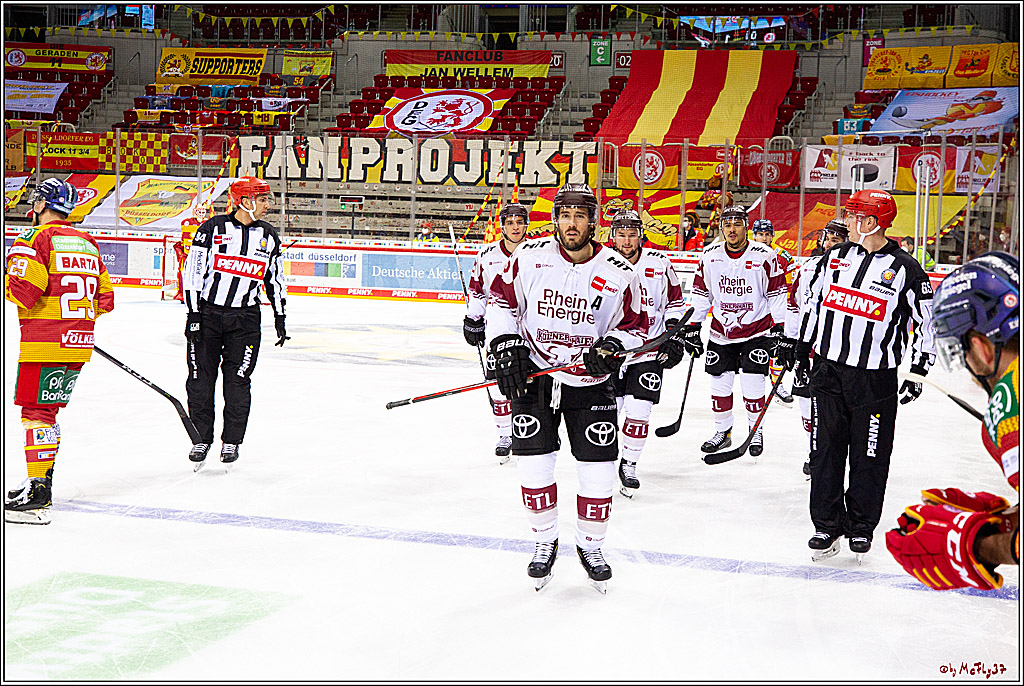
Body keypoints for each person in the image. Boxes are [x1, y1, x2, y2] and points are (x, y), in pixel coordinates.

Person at [487, 183, 648, 592]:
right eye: (564, 214)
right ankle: (544, 543)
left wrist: (614, 346)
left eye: (580, 215)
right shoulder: (529, 257)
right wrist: (505, 344)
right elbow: (501, 303)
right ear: (555, 218)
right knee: (534, 468)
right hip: (536, 377)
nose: (571, 223)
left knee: (597, 474)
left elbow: (637, 326)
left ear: (593, 222)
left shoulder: (619, 270)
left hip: (590, 385)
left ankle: (591, 546)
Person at [777, 189, 936, 562]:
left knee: (870, 455)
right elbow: (812, 306)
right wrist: (801, 348)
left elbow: (927, 323)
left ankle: (861, 527)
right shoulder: (833, 258)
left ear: (871, 223)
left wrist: (917, 369)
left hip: (874, 380)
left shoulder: (906, 270)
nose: (845, 221)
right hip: (828, 372)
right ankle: (826, 524)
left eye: (852, 215)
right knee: (825, 452)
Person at [885, 251, 1018, 590]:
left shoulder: (1012, 398)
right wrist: (1002, 523)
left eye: (962, 353)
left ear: (981, 347)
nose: (972, 377)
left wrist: (978, 544)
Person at [5, 178, 115, 524]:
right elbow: (105, 300)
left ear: (42, 204)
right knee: (47, 413)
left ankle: (39, 491)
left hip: (44, 343)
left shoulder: (35, 238)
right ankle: (40, 478)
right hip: (78, 344)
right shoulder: (86, 242)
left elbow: (24, 292)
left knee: (36, 414)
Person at [182, 176, 288, 470]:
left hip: (246, 320)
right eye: (263, 199)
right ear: (245, 201)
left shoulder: (268, 236)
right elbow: (193, 272)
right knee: (200, 381)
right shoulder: (212, 229)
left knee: (238, 382)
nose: (269, 205)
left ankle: (232, 441)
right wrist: (193, 314)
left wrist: (280, 315)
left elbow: (275, 279)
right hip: (208, 316)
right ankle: (202, 438)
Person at [687, 205, 788, 458]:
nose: (732, 229)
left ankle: (756, 431)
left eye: (737, 223)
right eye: (727, 224)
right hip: (721, 332)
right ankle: (723, 432)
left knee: (753, 386)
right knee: (719, 386)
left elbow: (776, 294)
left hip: (756, 331)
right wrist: (692, 326)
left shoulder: (764, 255)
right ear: (721, 227)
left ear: (746, 226)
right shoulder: (710, 255)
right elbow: (701, 293)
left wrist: (781, 327)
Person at [607, 210, 689, 497]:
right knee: (610, 412)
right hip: (612, 352)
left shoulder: (659, 262)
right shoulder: (601, 263)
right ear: (612, 235)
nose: (627, 240)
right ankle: (606, 460)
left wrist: (672, 337)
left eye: (632, 234)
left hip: (648, 350)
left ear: (640, 235)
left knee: (639, 411)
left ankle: (628, 464)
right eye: (621, 234)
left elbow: (676, 304)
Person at [464, 202, 529, 463]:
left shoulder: (538, 253)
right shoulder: (487, 255)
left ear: (526, 224)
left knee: (531, 382)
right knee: (498, 384)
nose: (515, 226)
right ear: (502, 226)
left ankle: (530, 429)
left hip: (531, 328)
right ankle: (505, 435)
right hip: (497, 329)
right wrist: (473, 319)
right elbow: (478, 290)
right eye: (510, 222)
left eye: (519, 221)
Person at [785, 219, 849, 477]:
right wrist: (790, 341)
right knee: (805, 400)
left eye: (838, 240)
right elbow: (794, 306)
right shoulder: (807, 269)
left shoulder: (856, 270)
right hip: (807, 347)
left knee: (834, 407)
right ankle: (815, 452)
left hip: (837, 350)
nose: (831, 244)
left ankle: (832, 454)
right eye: (829, 240)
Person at [751, 218, 796, 404]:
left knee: (777, 347)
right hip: (752, 310)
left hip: (775, 310)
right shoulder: (744, 253)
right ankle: (754, 384)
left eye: (767, 234)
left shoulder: (783, 257)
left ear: (772, 235)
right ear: (753, 235)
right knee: (754, 348)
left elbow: (791, 285)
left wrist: (781, 311)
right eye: (760, 234)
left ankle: (778, 384)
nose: (763, 238)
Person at [173, 201, 210, 302]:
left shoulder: (208, 223)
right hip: (188, 255)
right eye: (199, 211)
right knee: (183, 274)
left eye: (203, 212)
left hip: (203, 255)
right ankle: (182, 294)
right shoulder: (187, 222)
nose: (201, 214)